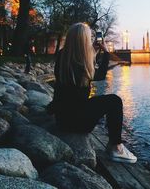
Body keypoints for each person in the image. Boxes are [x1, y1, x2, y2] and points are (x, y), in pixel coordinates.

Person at [47, 23, 137, 163]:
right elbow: (98, 82)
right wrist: (106, 54)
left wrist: (92, 54)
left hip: (62, 119)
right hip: (77, 122)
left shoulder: (62, 56)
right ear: (85, 41)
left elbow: (80, 73)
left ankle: (115, 146)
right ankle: (116, 147)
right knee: (115, 101)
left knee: (96, 101)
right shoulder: (82, 62)